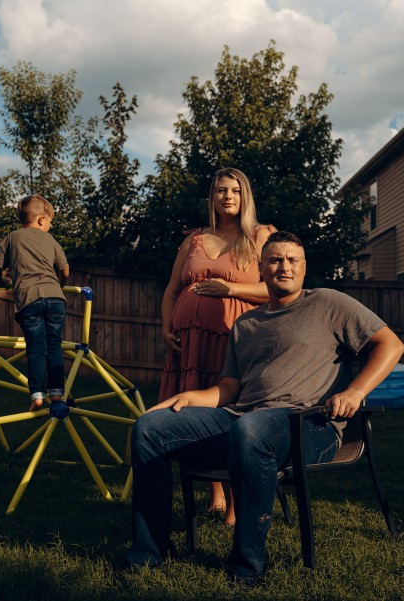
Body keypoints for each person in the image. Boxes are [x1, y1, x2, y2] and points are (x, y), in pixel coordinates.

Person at [127, 231, 404, 585]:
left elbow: (390, 345)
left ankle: (247, 567)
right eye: (275, 260)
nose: (284, 266)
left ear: (304, 267)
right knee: (150, 427)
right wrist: (188, 398)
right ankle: (149, 554)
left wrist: (354, 392)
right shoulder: (247, 323)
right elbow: (230, 388)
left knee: (251, 429)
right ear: (261, 268)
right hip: (243, 419)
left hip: (309, 424)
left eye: (292, 260)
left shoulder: (329, 303)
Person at [159, 167, 276, 525]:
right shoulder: (194, 239)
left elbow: (276, 288)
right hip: (189, 343)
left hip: (234, 339)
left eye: (235, 191)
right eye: (221, 190)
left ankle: (238, 504)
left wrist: (231, 289)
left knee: (233, 411)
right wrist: (166, 325)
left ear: (245, 198)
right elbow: (171, 290)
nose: (227, 197)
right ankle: (214, 495)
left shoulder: (260, 236)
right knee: (196, 413)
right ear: (212, 197)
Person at [0, 194, 70, 411]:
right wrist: (59, 285)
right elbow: (65, 269)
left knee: (36, 346)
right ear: (42, 220)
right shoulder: (51, 240)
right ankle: (56, 393)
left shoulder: (12, 237)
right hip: (55, 299)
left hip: (29, 300)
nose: (50, 225)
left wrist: (0, 283)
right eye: (50, 221)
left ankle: (37, 394)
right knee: (54, 344)